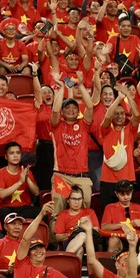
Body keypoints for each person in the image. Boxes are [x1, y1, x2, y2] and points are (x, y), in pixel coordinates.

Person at [51, 71, 94, 215]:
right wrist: (61, 87)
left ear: (78, 111)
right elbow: (55, 110)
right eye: (67, 108)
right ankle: (55, 238)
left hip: (82, 176)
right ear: (63, 112)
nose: (71, 110)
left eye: (74, 108)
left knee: (85, 211)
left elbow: (90, 107)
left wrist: (81, 85)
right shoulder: (57, 125)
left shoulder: (84, 125)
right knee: (57, 211)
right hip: (61, 175)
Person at [14, 201, 66, 277]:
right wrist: (41, 214)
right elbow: (25, 239)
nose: (39, 251)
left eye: (41, 247)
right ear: (28, 254)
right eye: (34, 249)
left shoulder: (51, 272)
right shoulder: (22, 265)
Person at [0, 141, 40, 221]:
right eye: (12, 153)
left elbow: (36, 192)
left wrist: (27, 178)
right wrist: (19, 182)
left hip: (24, 208)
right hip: (6, 208)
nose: (15, 156)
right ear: (6, 156)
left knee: (40, 213)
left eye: (18, 153)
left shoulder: (26, 171)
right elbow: (2, 194)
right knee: (3, 214)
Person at [101, 180, 140, 252]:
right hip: (119, 240)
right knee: (113, 240)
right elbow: (104, 227)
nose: (126, 197)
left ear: (132, 192)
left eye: (128, 194)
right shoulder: (110, 208)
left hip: (138, 240)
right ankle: (111, 262)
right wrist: (121, 226)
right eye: (122, 195)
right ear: (116, 194)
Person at [54, 186, 100, 260]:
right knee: (79, 250)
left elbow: (96, 230)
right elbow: (58, 237)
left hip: (90, 242)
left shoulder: (89, 212)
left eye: (79, 199)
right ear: (68, 200)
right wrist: (73, 233)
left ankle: (63, 261)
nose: (77, 202)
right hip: (70, 242)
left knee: (82, 234)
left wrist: (82, 229)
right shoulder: (63, 214)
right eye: (74, 199)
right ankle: (74, 270)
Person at [0, 213, 25, 277]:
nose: (17, 227)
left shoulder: (25, 244)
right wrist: (6, 271)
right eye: (13, 224)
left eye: (20, 224)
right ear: (5, 227)